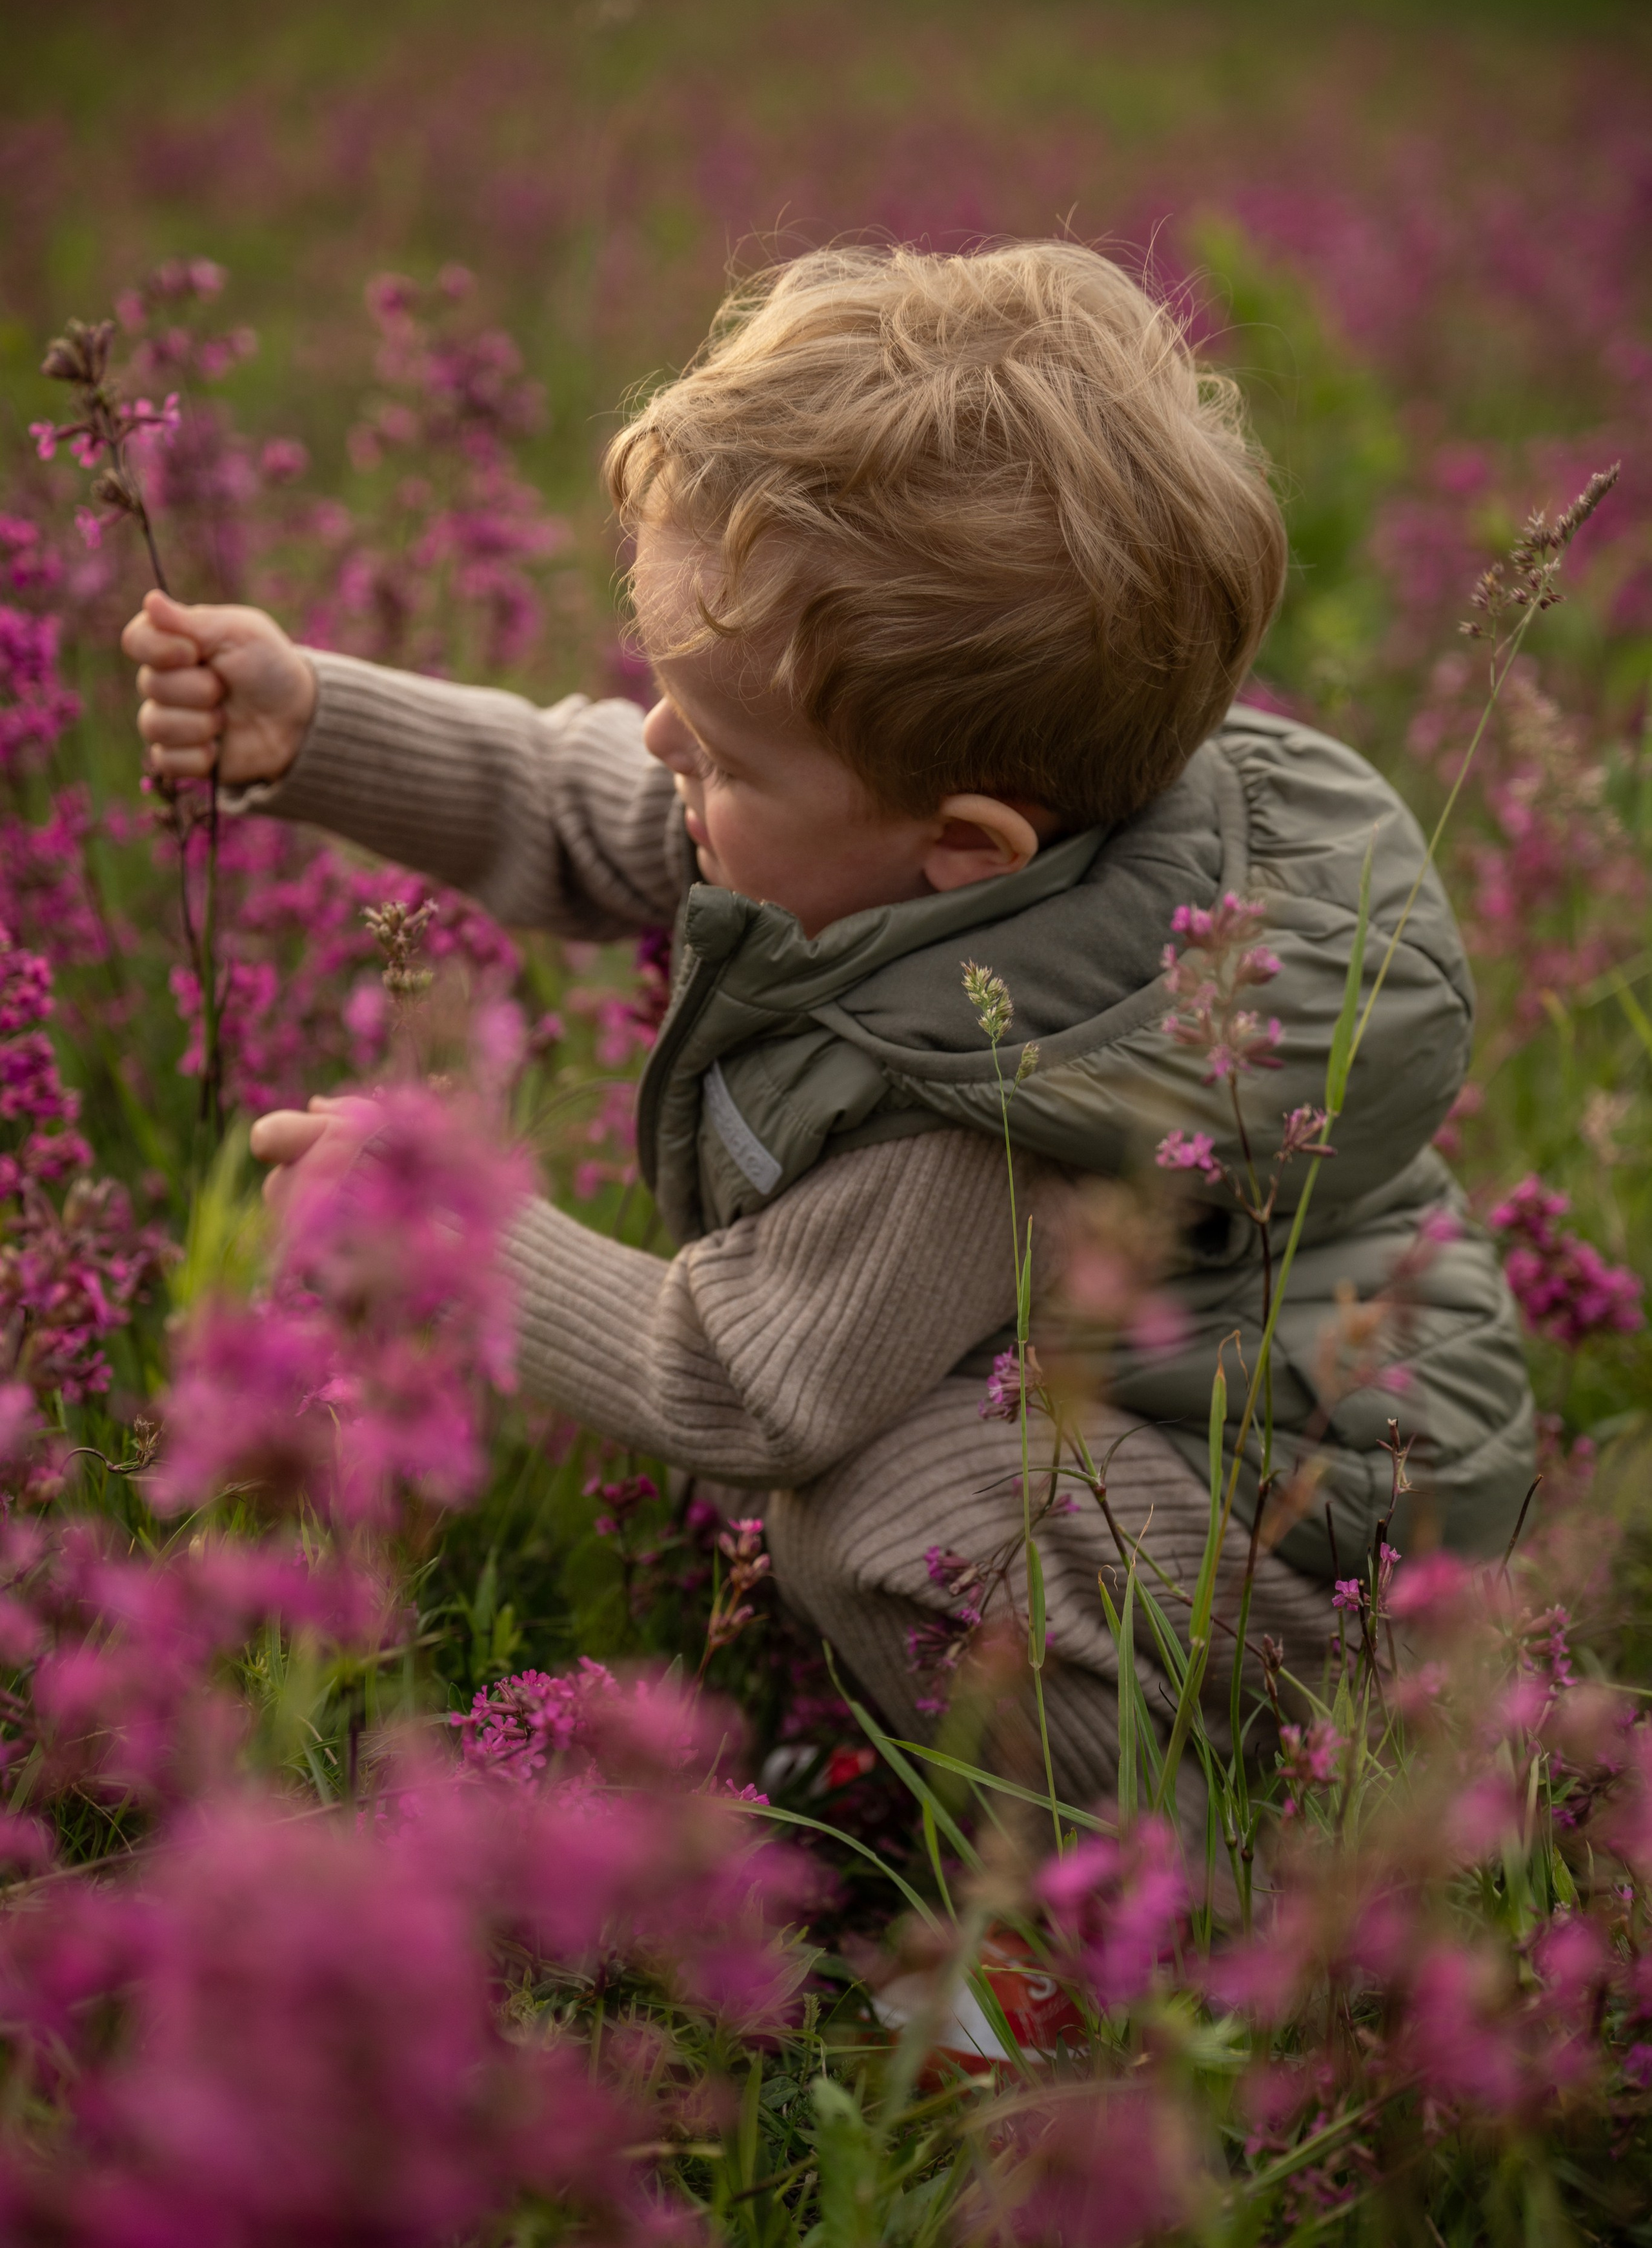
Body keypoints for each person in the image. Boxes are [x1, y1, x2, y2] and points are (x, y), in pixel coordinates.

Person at [121, 241, 1533, 1800]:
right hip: (1244, 1410)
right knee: (915, 1460)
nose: (661, 740)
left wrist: (440, 1216)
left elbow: (743, 1383)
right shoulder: (906, 824)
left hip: (1310, 1555)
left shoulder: (982, 1106)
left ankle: (1161, 1870)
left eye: (717, 751)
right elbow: (590, 795)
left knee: (875, 1514)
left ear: (969, 846)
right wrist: (314, 723)